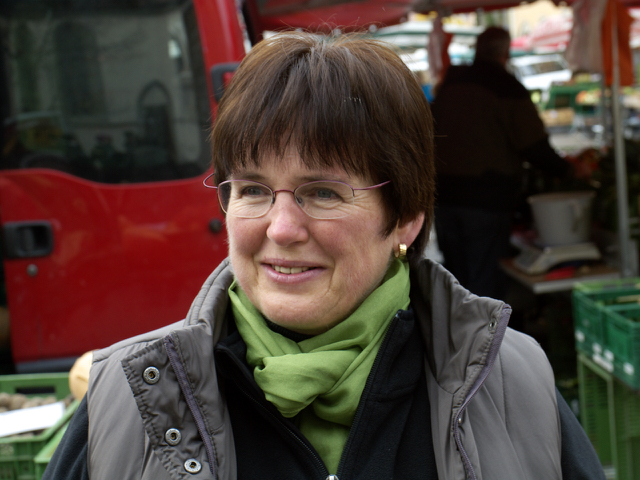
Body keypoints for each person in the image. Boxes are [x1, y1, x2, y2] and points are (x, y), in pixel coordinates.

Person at [43, 31, 605, 480]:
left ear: (406, 216)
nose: (282, 228)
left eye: (323, 193)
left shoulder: (511, 382)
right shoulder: (128, 398)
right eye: (253, 189)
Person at [431, 26, 580, 299]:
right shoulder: (505, 86)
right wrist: (569, 171)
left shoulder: (451, 84)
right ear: (505, 52)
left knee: (455, 280)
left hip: (445, 196)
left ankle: (455, 327)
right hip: (484, 197)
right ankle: (480, 329)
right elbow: (532, 145)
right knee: (482, 286)